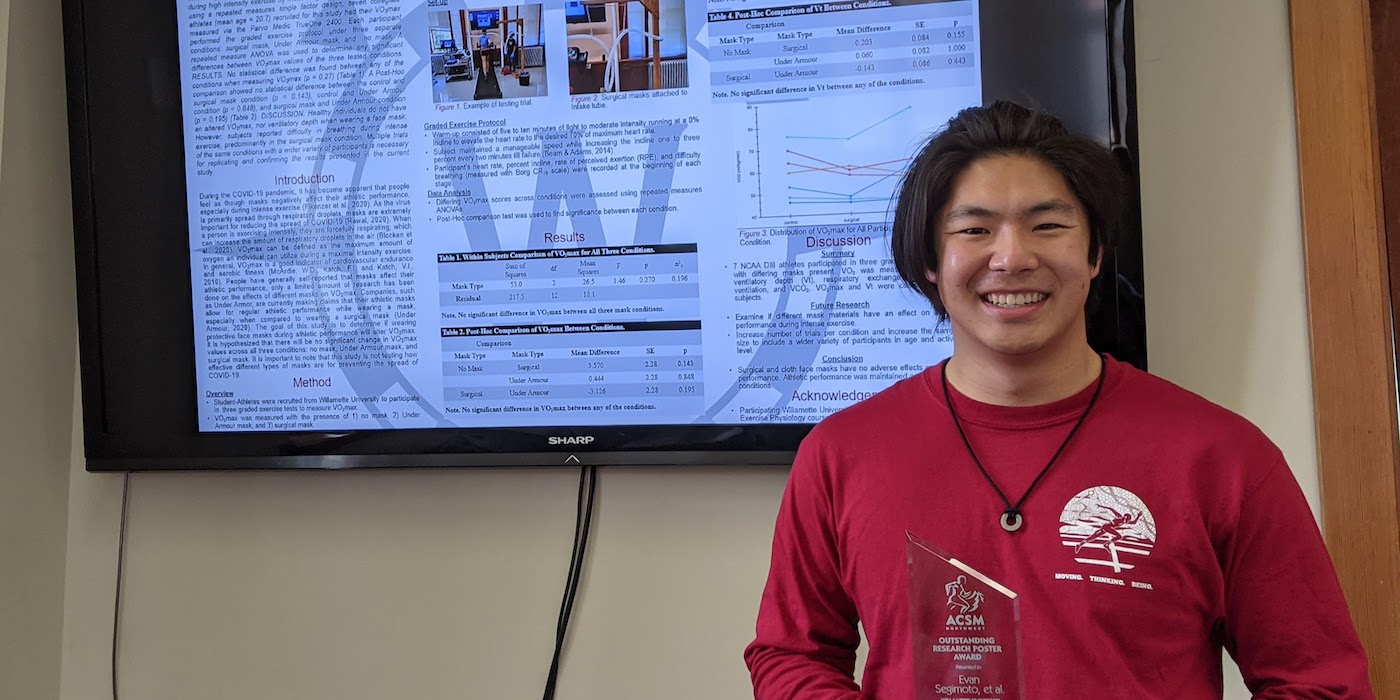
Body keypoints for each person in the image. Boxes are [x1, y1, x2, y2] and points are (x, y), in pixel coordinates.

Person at [743, 101, 1373, 698]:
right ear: (931, 261)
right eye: (974, 228)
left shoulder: (1222, 457)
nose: (1012, 256)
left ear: (1096, 252)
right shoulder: (840, 454)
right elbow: (791, 654)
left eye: (1048, 225)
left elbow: (1320, 680)